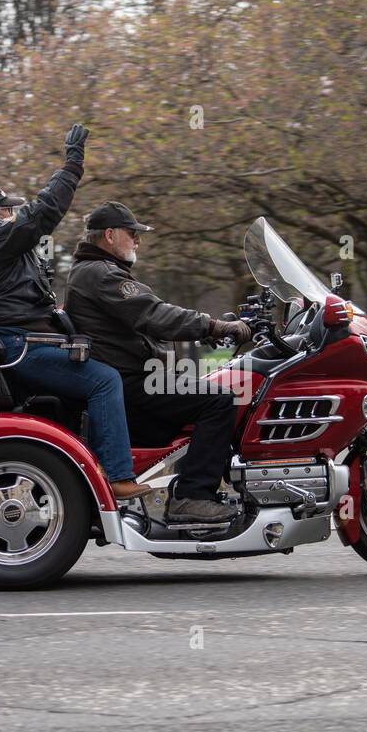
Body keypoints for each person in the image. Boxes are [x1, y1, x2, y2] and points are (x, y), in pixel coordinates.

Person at [0, 125, 149, 501]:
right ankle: (117, 475)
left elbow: (10, 298)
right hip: (22, 347)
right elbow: (43, 212)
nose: (13, 215)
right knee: (105, 380)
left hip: (18, 342)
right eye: (8, 209)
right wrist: (72, 164)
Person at [64, 201, 252, 522]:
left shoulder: (95, 272)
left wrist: (203, 334)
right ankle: (193, 496)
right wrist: (213, 326)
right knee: (220, 399)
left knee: (211, 388)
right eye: (132, 233)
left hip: (130, 379)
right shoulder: (102, 274)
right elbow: (154, 313)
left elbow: (143, 322)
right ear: (109, 235)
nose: (137, 241)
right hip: (131, 384)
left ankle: (219, 482)